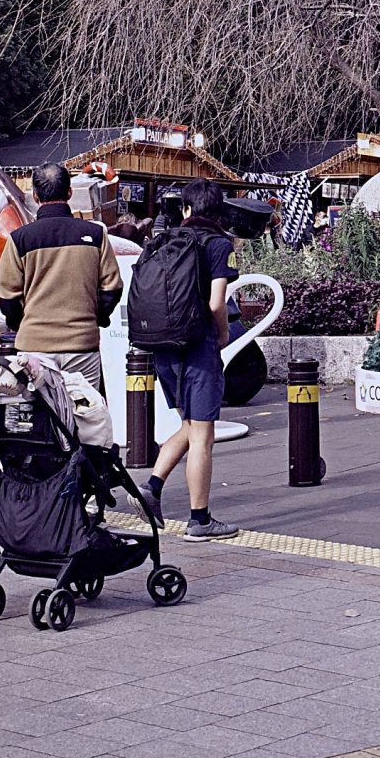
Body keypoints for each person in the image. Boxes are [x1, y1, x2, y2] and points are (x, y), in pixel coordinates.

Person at [132, 179, 241, 540]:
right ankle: (200, 519)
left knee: (191, 425)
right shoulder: (219, 244)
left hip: (163, 345)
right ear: (218, 211)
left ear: (187, 210)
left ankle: (151, 488)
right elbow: (216, 303)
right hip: (198, 346)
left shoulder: (164, 241)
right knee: (204, 436)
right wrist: (223, 335)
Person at [0, 163, 123, 448]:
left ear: (36, 196)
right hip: (82, 345)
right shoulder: (95, 235)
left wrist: (23, 325)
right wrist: (94, 318)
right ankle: (85, 482)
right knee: (86, 420)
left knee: (38, 420)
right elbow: (112, 289)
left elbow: (7, 297)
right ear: (68, 192)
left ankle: (47, 482)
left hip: (35, 349)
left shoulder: (19, 240)